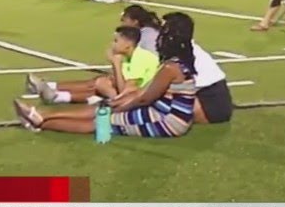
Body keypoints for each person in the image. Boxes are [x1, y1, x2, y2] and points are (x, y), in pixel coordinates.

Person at [14, 12, 199, 137]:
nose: (159, 37)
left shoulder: (170, 67)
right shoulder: (178, 63)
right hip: (164, 113)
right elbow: (146, 92)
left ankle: (40, 122)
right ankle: (40, 115)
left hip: (169, 122)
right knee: (104, 108)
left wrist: (120, 105)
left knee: (101, 122)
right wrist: (122, 100)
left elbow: (145, 98)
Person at [25, 26, 160, 105]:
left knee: (101, 84)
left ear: (127, 45)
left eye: (116, 41)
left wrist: (116, 64)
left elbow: (125, 90)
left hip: (139, 98)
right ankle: (54, 93)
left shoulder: (142, 59)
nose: (112, 44)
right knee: (100, 82)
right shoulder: (128, 56)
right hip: (130, 93)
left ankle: (54, 93)